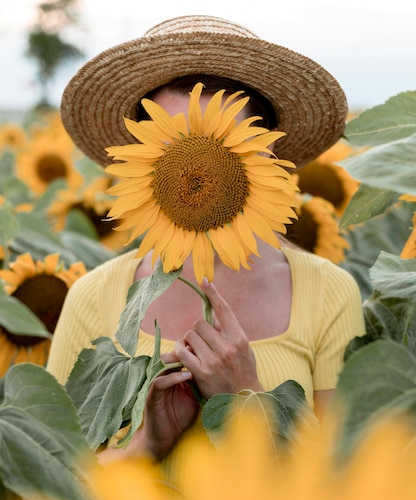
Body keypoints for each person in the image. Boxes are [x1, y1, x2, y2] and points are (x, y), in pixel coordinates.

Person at [47, 15, 365, 463]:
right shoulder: (93, 297)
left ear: (268, 155)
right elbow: (44, 499)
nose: (197, 169)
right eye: (175, 144)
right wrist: (147, 445)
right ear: (144, 153)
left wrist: (247, 397)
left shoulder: (328, 292)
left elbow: (345, 487)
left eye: (224, 145)